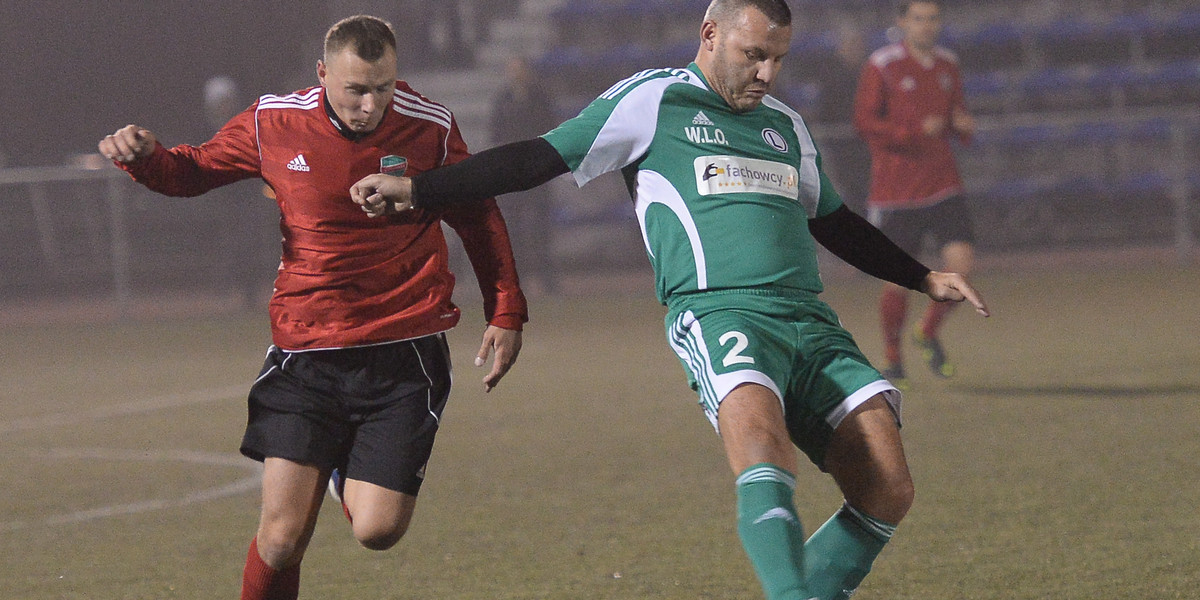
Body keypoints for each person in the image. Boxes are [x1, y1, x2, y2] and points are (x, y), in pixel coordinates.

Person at [350, 1, 989, 598]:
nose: (767, 72)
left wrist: (923, 277)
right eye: (753, 54)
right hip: (720, 312)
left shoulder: (785, 126)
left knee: (888, 485)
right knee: (765, 451)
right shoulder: (654, 99)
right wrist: (423, 190)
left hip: (810, 319)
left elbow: (834, 220)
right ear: (710, 35)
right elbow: (539, 157)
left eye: (778, 59)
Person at [97, 15, 527, 600]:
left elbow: (477, 214)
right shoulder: (274, 121)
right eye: (355, 89)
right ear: (323, 74)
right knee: (281, 537)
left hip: (403, 353)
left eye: (383, 87)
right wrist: (145, 158)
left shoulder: (428, 128)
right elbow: (190, 172)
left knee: (378, 530)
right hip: (306, 352)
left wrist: (506, 310)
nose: (370, 104)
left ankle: (343, 469)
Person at [853, 0, 977, 388]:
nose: (927, 25)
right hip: (896, 192)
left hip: (943, 183)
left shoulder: (947, 64)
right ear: (902, 22)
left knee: (962, 266)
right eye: (918, 19)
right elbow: (865, 122)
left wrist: (963, 126)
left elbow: (957, 116)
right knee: (897, 281)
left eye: (933, 18)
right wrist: (912, 132)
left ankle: (927, 332)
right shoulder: (883, 64)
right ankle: (893, 359)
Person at [489, 55, 560, 294]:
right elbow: (496, 134)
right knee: (514, 227)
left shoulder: (540, 98)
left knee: (541, 226)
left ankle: (545, 277)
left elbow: (551, 129)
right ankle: (515, 279)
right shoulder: (503, 100)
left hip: (538, 171)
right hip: (511, 174)